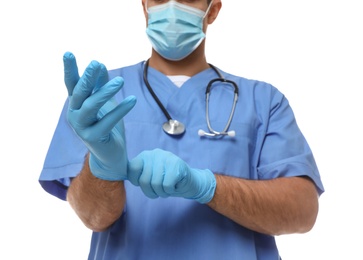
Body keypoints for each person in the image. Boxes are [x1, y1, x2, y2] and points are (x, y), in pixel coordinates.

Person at [39, 0, 325, 259]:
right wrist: (101, 168)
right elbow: (93, 217)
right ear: (144, 7)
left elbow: (302, 211)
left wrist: (206, 186)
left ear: (212, 10)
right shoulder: (97, 98)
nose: (172, 7)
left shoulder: (263, 101)